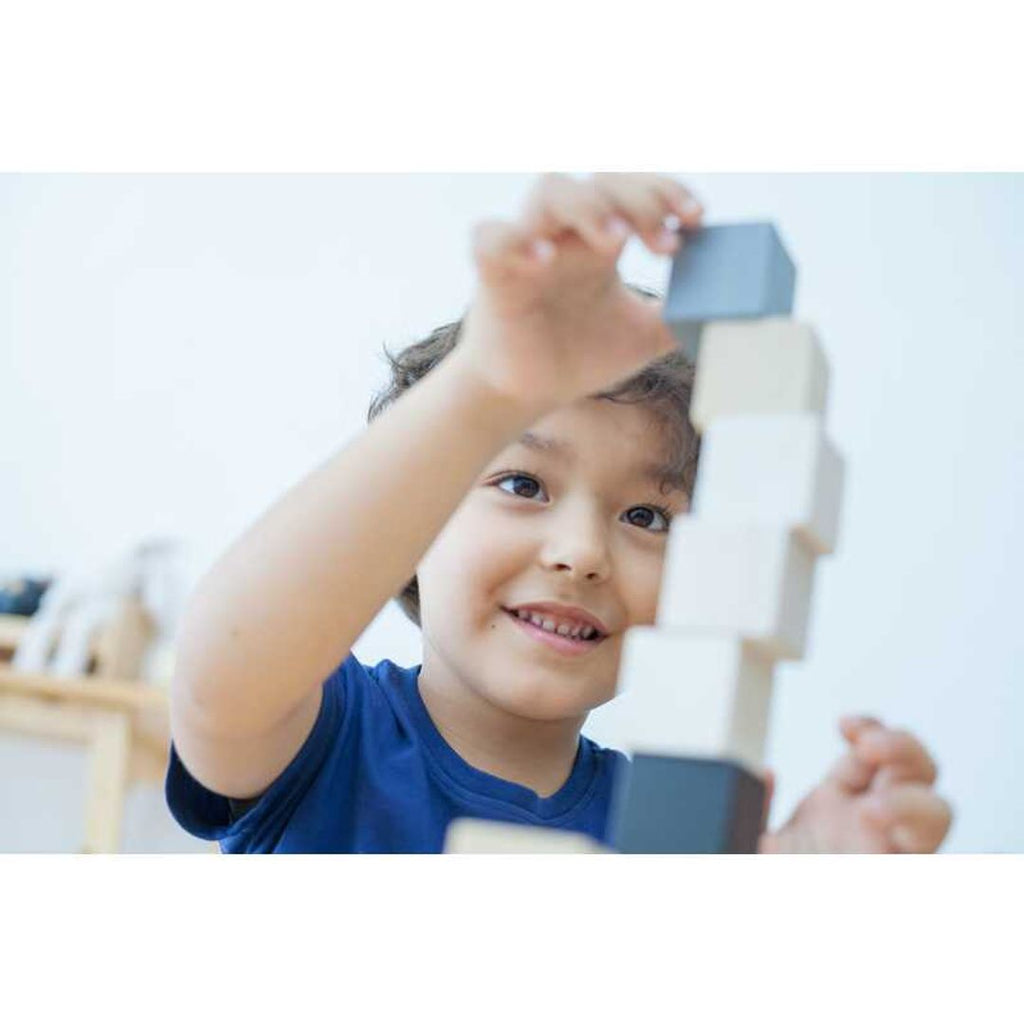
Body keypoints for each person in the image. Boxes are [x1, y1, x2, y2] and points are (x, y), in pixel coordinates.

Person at [166, 173, 953, 854]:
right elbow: (217, 682)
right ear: (411, 527)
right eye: (522, 485)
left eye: (648, 516)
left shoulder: (668, 837)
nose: (581, 553)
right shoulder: (328, 736)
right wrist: (486, 386)